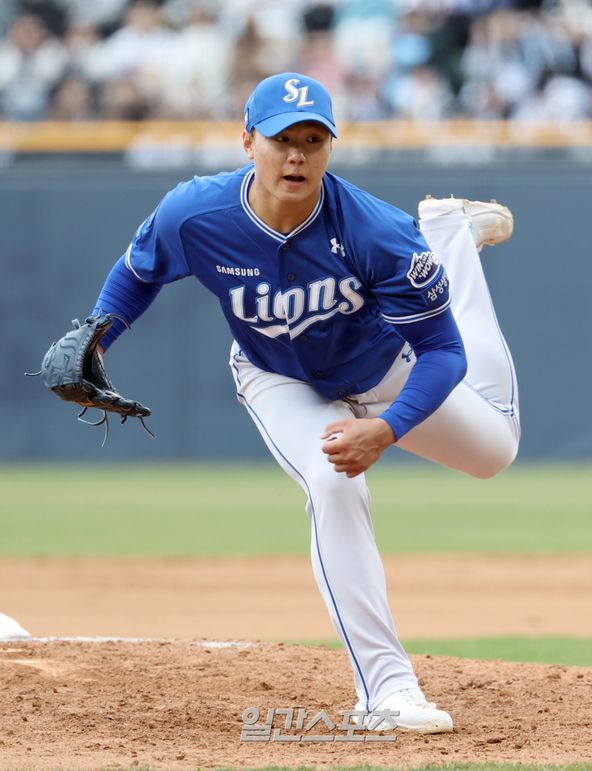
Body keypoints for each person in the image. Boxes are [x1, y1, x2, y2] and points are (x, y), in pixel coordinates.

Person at [92, 72, 520, 734]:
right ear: (248, 141)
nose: (296, 156)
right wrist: (96, 337)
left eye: (313, 141)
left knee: (495, 453)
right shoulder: (195, 213)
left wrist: (389, 427)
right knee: (333, 478)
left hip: (385, 367)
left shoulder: (377, 232)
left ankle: (449, 238)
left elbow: (443, 351)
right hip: (277, 373)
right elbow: (138, 273)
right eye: (281, 140)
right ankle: (387, 687)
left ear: (330, 147)